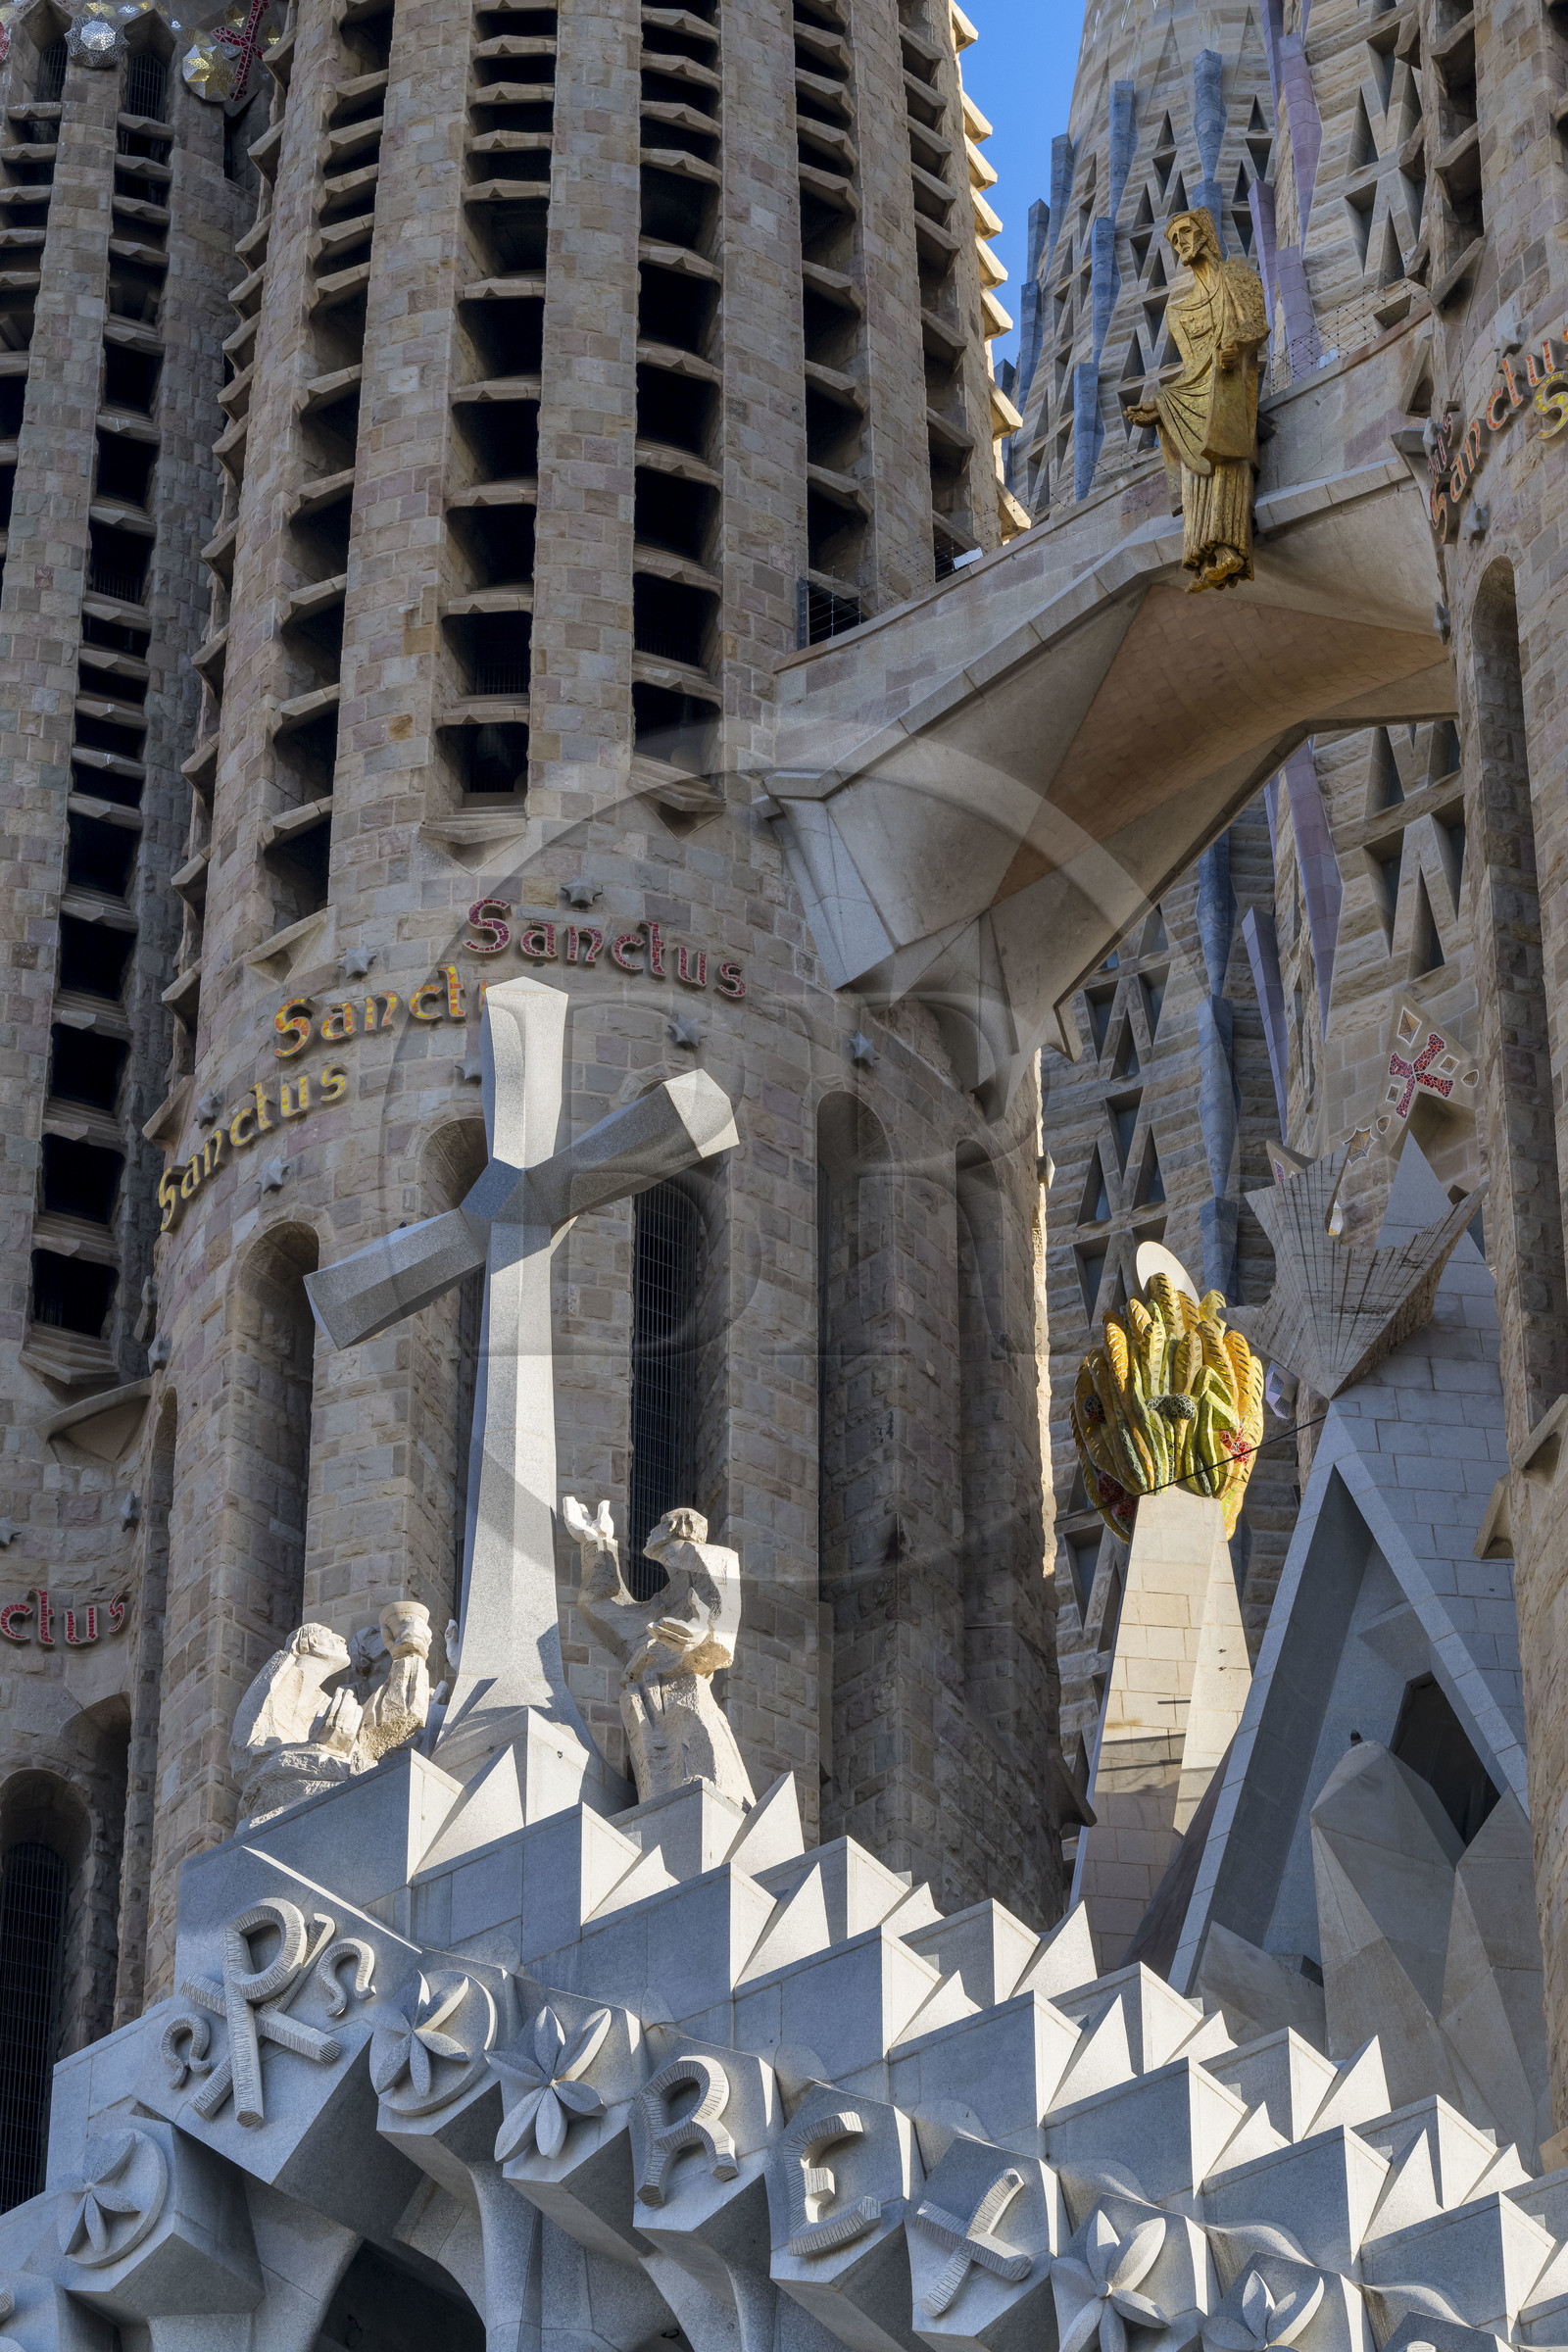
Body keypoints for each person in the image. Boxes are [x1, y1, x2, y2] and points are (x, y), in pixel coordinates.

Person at [1126, 207, 1268, 592]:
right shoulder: (1178, 313)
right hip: (1197, 394)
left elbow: (1257, 323)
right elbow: (1190, 370)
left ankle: (1232, 548)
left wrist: (1236, 346)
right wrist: (1159, 409)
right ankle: (1205, 554)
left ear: (1205, 232)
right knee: (1195, 465)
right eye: (1174, 240)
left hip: (1230, 384)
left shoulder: (1236, 276)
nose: (1181, 243)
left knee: (1225, 455)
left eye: (1186, 232)